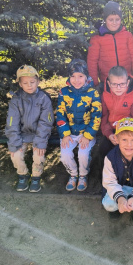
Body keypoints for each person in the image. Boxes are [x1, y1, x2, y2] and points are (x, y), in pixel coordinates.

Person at [5, 65, 55, 193]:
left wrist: (40, 142)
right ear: (20, 84)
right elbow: (12, 123)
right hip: (22, 135)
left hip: (39, 135)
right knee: (15, 155)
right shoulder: (16, 99)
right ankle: (23, 175)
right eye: (25, 83)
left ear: (38, 81)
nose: (29, 85)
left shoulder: (44, 98)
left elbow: (46, 122)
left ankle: (36, 177)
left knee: (39, 155)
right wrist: (15, 143)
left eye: (32, 82)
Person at [56, 59, 102, 192]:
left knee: (83, 154)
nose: (76, 80)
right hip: (69, 132)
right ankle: (73, 174)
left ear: (86, 76)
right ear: (69, 77)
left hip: (86, 133)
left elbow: (96, 116)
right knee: (65, 154)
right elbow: (60, 114)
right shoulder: (63, 92)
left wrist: (87, 136)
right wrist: (65, 134)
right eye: (73, 76)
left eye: (80, 76)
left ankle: (83, 175)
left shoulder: (93, 93)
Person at [87, 1, 133, 89]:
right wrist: (94, 84)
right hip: (107, 83)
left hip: (125, 82)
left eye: (117, 19)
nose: (114, 23)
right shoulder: (96, 38)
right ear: (105, 20)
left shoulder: (128, 36)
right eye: (111, 20)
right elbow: (92, 62)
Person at [99, 66, 133, 160]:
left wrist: (123, 134)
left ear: (127, 83)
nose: (118, 88)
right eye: (114, 84)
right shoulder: (105, 96)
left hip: (126, 129)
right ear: (109, 83)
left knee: (124, 150)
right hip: (110, 129)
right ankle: (105, 169)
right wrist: (109, 134)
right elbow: (104, 117)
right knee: (102, 149)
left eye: (122, 84)